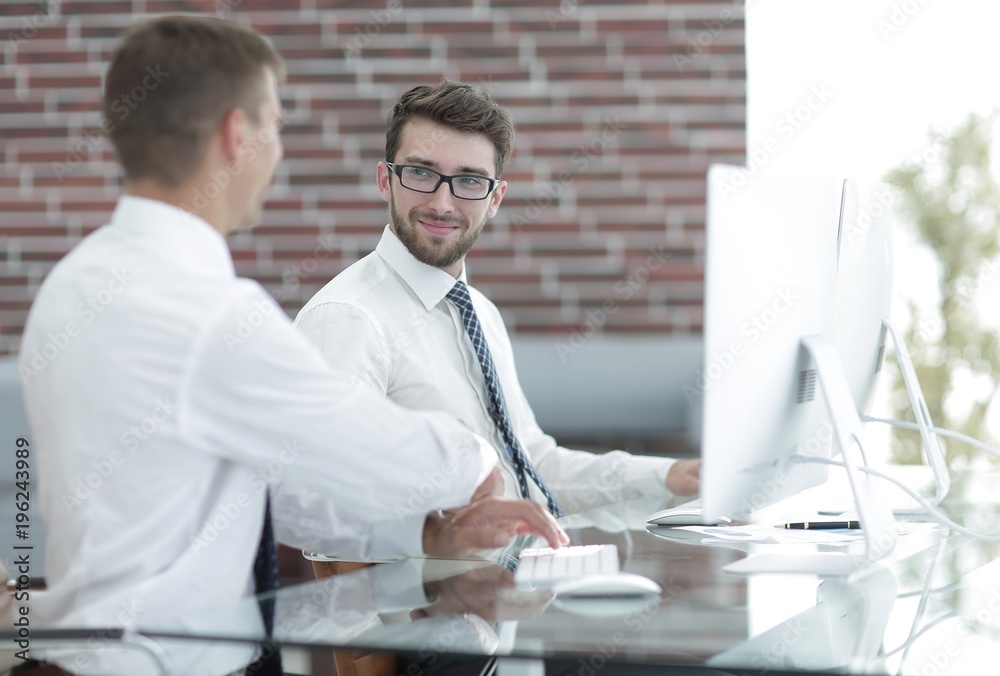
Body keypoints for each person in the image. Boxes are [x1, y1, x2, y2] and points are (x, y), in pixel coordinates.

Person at [16, 18, 565, 676]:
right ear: (235, 135)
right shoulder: (210, 312)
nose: (276, 152)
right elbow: (366, 449)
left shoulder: (70, 286)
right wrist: (472, 454)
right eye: (273, 126)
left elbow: (262, 490)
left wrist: (424, 532)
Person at [294, 81, 701, 539]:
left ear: (495, 199)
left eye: (469, 181)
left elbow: (531, 464)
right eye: (421, 173)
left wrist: (670, 476)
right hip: (425, 585)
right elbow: (322, 503)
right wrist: (442, 534)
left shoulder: (480, 312)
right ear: (385, 180)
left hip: (509, 575)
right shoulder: (349, 318)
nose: (442, 203)